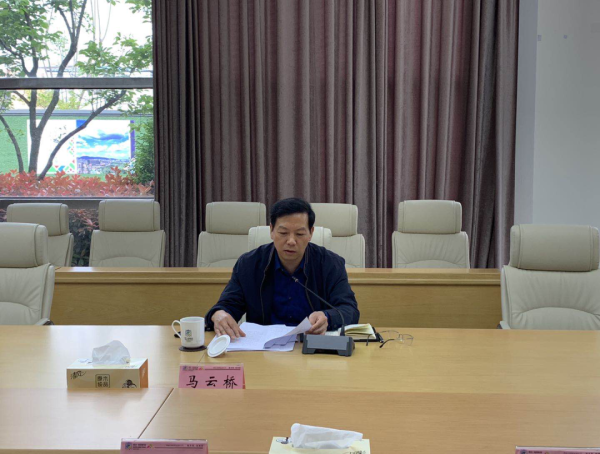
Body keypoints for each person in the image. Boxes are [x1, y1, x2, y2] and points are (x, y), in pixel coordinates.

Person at [205, 198, 360, 338]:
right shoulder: (249, 264)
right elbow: (227, 305)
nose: (291, 241)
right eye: (283, 233)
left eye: (299, 234)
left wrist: (327, 317)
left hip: (312, 348)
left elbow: (350, 310)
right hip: (264, 349)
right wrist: (218, 314)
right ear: (271, 231)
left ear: (311, 233)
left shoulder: (330, 264)